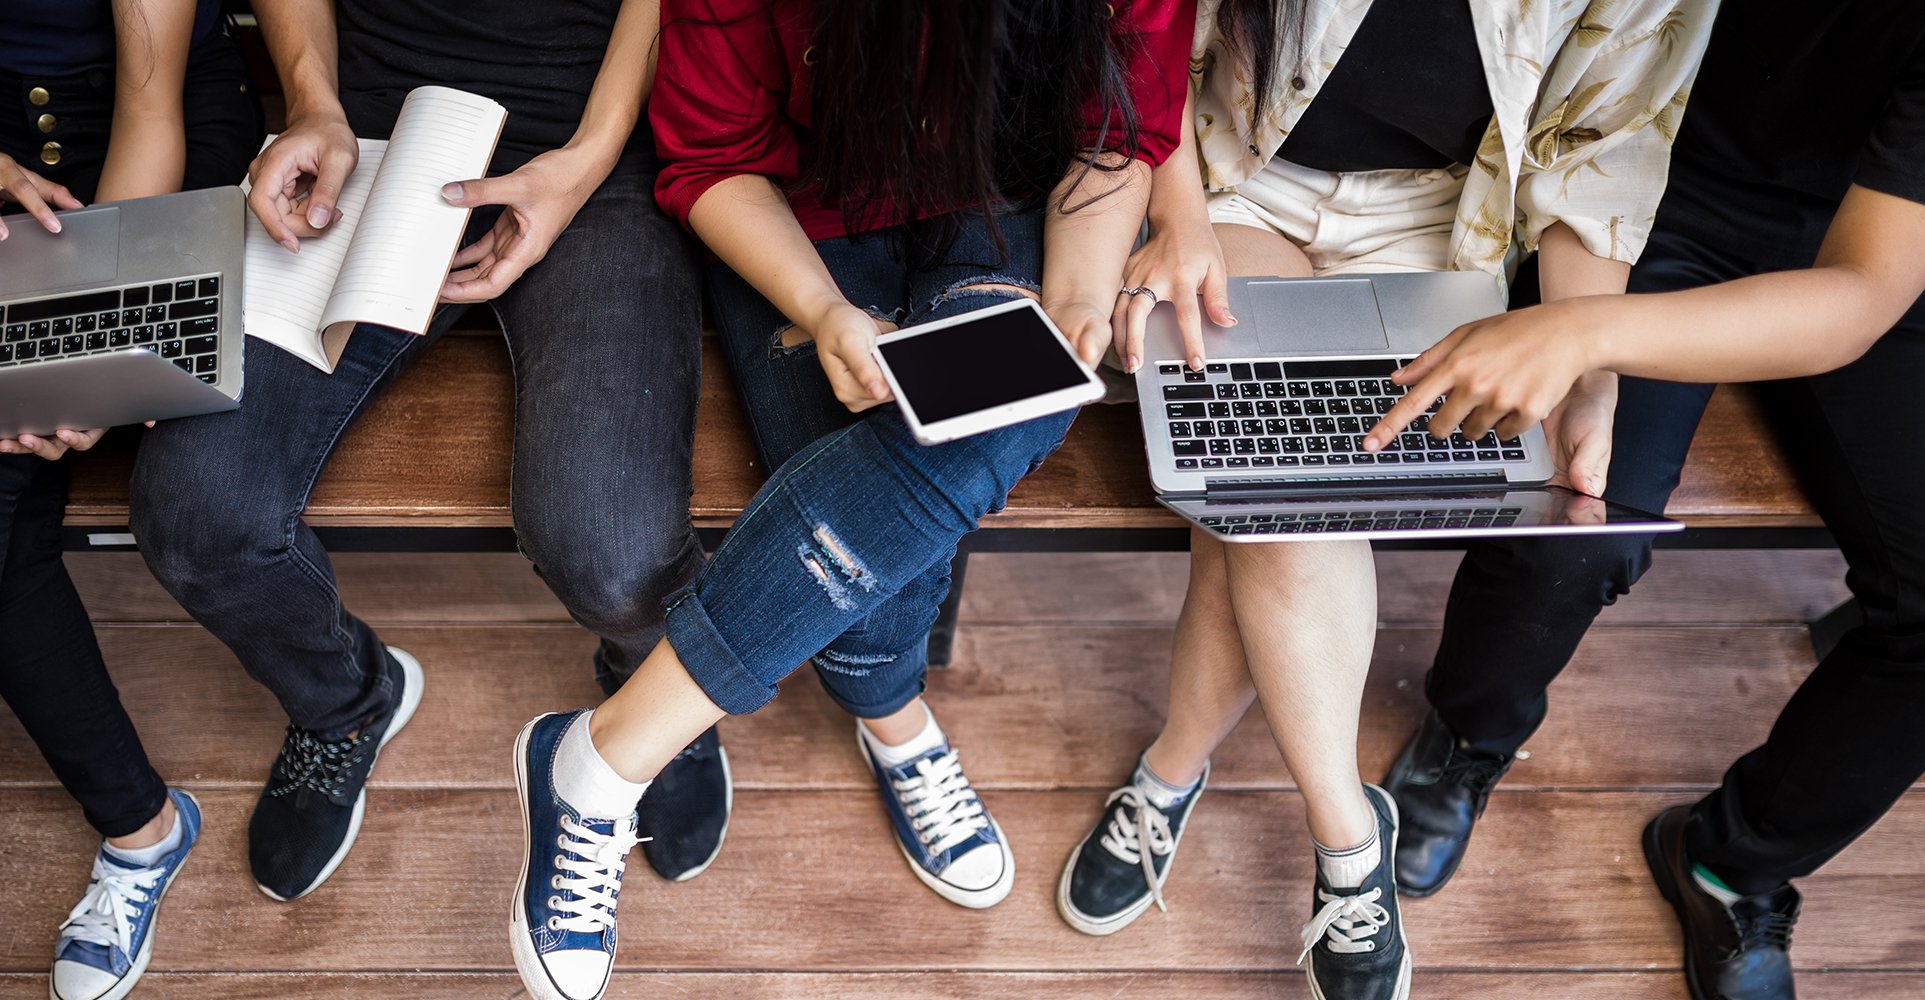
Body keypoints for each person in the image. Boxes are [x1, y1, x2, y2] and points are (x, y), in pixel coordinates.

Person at [503, 2, 1192, 998]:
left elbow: (1115, 131)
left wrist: (1078, 297)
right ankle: (893, 717)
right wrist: (824, 310)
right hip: (795, 217)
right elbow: (709, 158)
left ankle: (604, 756)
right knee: (846, 482)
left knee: (1003, 410)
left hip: (1002, 199)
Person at [1053, 2, 1716, 998]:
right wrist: (1175, 212)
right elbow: (1145, 37)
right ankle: (1347, 837)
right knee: (1275, 500)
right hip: (1230, 177)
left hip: (1442, 220)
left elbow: (1598, 140)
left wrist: (1588, 361)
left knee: (1256, 509)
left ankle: (1169, 770)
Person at [1371, 3, 1925, 997]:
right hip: (1648, 178)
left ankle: (1730, 861)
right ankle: (1465, 737)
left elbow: (1857, 296)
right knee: (1575, 519)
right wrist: (1578, 326)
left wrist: (1583, 338)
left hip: (1867, 249)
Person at [124, 0, 731, 904]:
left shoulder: (593, 153)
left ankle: (655, 697)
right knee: (195, 515)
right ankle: (345, 701)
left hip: (593, 151)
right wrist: (313, 104)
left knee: (613, 551)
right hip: (378, 135)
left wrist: (584, 160)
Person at [0, 1, 261, 996]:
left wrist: (75, 350)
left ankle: (140, 826)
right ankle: (143, 828)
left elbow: (154, 105)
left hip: (152, 145)